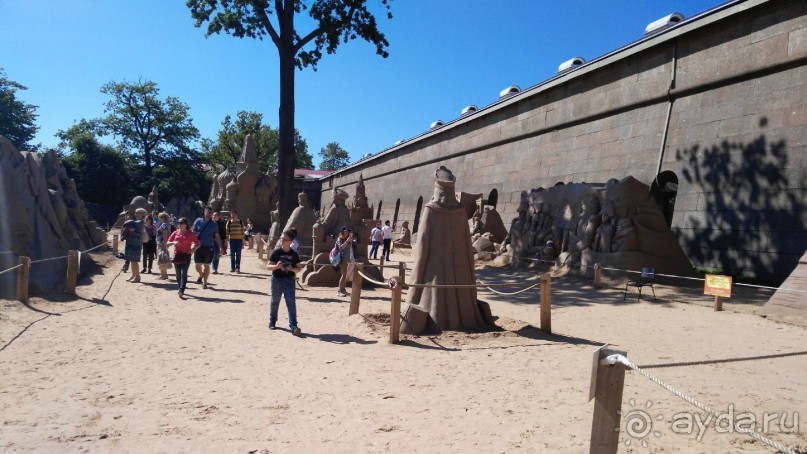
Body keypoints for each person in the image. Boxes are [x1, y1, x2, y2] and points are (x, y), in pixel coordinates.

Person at [266, 229, 303, 335]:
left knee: (291, 303)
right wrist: (276, 266)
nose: (282, 240)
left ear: (290, 241)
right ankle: (272, 321)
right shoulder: (276, 252)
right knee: (274, 302)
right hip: (276, 280)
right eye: (281, 238)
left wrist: (291, 269)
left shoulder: (294, 254)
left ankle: (294, 326)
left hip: (289, 280)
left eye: (284, 239)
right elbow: (268, 266)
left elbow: (299, 269)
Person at [167, 217, 200, 299]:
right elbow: (167, 243)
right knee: (178, 275)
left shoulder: (190, 234)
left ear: (186, 224)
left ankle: (181, 290)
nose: (180, 224)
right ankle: (180, 288)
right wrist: (174, 242)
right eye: (179, 223)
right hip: (177, 255)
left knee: (183, 274)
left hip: (186, 255)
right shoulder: (175, 232)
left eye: (181, 223)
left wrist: (193, 249)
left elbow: (198, 243)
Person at [192, 206, 224, 289]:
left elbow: (217, 236)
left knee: (206, 265)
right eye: (208, 212)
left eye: (210, 213)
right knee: (197, 265)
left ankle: (205, 283)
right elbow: (193, 232)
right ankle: (201, 275)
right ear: (204, 212)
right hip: (198, 246)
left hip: (209, 246)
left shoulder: (214, 224)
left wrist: (221, 247)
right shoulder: (198, 221)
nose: (209, 214)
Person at [123, 208, 147, 283]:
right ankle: (133, 275)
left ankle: (137, 276)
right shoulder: (136, 221)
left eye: (137, 213)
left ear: (142, 214)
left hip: (135, 243)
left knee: (134, 260)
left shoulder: (140, 222)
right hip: (131, 242)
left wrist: (128, 221)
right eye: (135, 213)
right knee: (131, 260)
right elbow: (128, 226)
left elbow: (130, 228)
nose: (135, 214)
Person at [335, 226, 358, 297]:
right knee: (344, 275)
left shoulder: (348, 239)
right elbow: (340, 248)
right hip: (342, 259)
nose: (347, 232)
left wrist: (352, 257)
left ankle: (343, 290)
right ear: (342, 232)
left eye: (348, 231)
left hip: (347, 259)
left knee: (345, 275)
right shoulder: (340, 239)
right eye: (345, 231)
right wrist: (347, 241)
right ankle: (340, 290)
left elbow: (350, 249)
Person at [156, 212, 172, 280]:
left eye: (160, 217)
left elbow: (165, 235)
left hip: (161, 244)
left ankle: (163, 275)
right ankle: (164, 274)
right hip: (162, 243)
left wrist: (165, 244)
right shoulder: (166, 224)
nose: (159, 219)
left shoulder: (164, 225)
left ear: (163, 218)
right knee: (163, 259)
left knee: (161, 259)